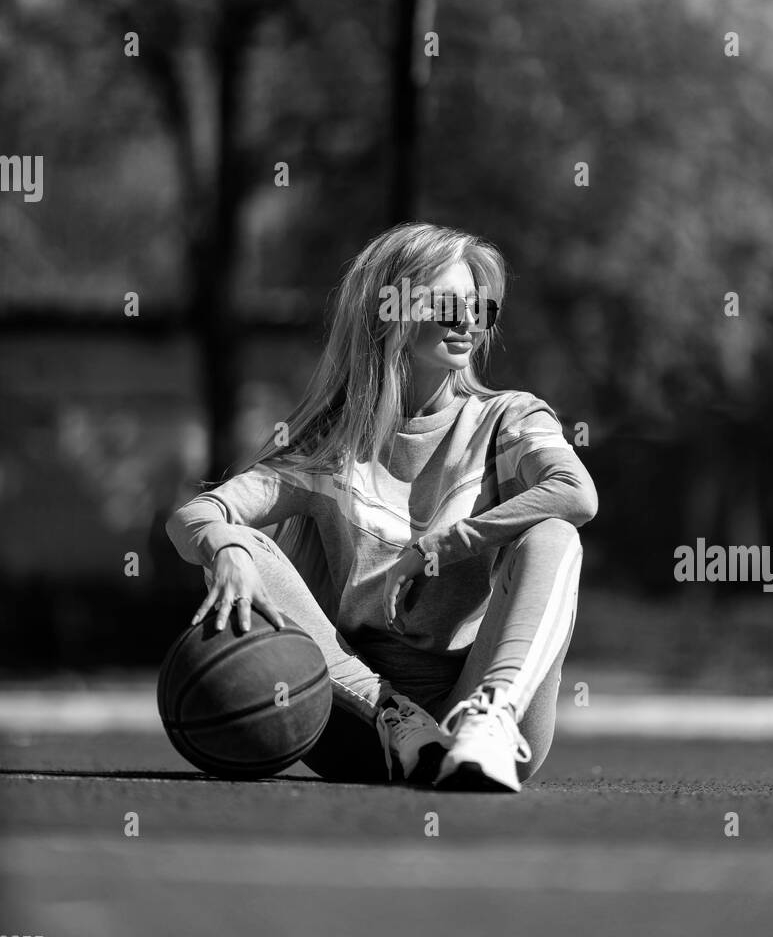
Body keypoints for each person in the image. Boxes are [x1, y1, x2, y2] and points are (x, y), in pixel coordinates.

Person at [166, 222, 598, 793]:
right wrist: (225, 547)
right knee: (243, 544)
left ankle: (488, 717)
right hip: (360, 724)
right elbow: (192, 516)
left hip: (479, 711)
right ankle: (397, 719)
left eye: (480, 308)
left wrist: (441, 545)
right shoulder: (328, 447)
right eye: (447, 305)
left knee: (555, 536)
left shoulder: (508, 419)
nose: (467, 322)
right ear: (387, 314)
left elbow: (575, 493)